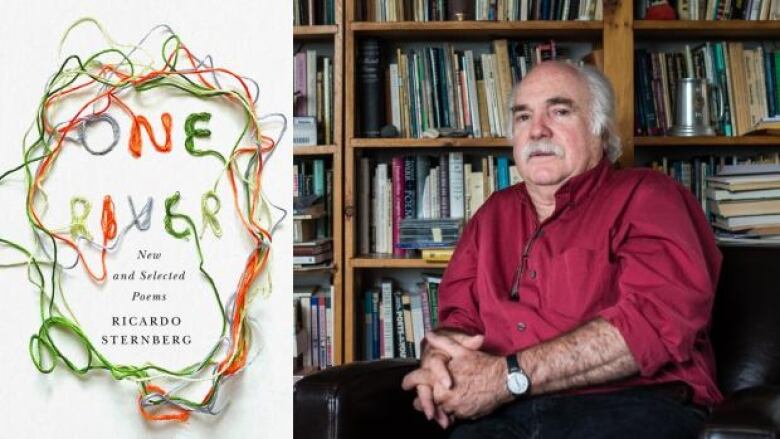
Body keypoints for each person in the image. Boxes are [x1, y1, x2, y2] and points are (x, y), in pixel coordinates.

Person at [401, 61, 722, 439]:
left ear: (599, 130)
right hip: (500, 416)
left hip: (632, 404)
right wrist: (440, 361)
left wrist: (507, 377)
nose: (537, 129)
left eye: (560, 111)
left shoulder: (649, 196)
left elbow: (651, 325)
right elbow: (460, 319)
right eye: (523, 116)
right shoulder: (492, 215)